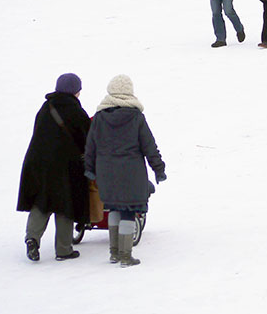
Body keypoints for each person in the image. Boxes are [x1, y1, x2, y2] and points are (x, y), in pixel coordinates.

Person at [84, 75, 167, 267]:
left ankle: (113, 252)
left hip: (106, 172)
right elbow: (149, 146)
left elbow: (91, 146)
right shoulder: (136, 117)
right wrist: (159, 169)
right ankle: (125, 255)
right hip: (131, 173)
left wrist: (89, 169)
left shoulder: (99, 118)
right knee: (129, 211)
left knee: (113, 208)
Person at [16, 73, 91, 262]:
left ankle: (32, 237)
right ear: (75, 90)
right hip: (66, 166)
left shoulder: (45, 108)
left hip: (38, 162)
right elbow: (86, 139)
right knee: (65, 204)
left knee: (42, 201)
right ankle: (64, 250)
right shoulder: (75, 110)